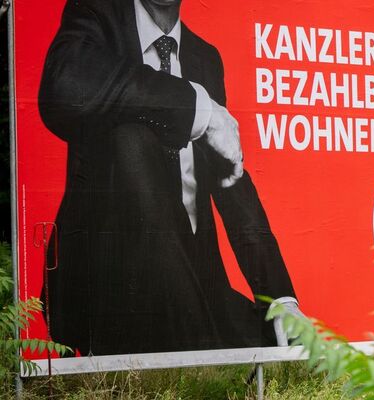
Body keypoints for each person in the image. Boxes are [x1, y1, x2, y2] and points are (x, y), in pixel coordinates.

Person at [37, 0, 300, 355]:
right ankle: (199, 345)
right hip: (110, 282)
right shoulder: (95, 14)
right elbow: (64, 87)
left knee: (286, 343)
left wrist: (280, 297)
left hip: (194, 280)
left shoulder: (204, 57)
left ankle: (199, 337)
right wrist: (197, 107)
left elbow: (230, 179)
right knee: (132, 136)